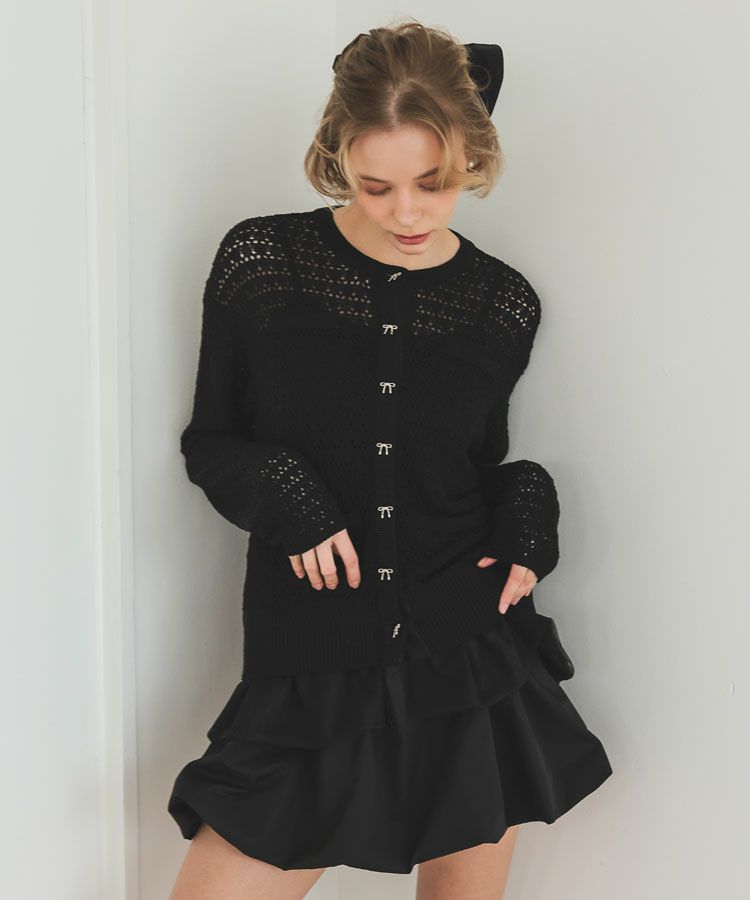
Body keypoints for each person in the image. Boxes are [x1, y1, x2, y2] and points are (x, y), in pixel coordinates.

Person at [166, 19, 613, 900]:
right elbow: (210, 439)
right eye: (376, 186)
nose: (407, 213)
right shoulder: (264, 262)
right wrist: (288, 495)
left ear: (473, 156)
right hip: (311, 663)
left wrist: (530, 505)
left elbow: (473, 466)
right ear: (337, 153)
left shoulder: (500, 302)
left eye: (433, 184)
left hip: (468, 655)